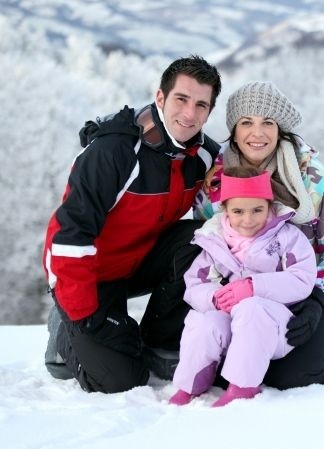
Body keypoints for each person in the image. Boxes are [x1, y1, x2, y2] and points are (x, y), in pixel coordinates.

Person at [42, 55, 223, 393]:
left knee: (203, 240)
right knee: (124, 379)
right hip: (87, 272)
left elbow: (247, 178)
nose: (189, 113)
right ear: (160, 98)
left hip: (138, 261)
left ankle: (157, 339)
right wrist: (84, 315)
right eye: (181, 99)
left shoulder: (202, 157)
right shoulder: (115, 151)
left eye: (201, 105)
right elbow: (70, 235)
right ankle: (66, 327)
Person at [192, 81, 324, 390]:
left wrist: (316, 295)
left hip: (309, 295)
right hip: (245, 296)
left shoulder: (314, 178)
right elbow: (211, 242)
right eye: (246, 122)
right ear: (234, 129)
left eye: (267, 123)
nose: (256, 133)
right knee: (226, 369)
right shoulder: (217, 181)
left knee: (289, 377)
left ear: (280, 129)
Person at [170, 167, 317, 407]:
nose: (248, 220)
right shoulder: (214, 240)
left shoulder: (286, 237)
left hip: (274, 328)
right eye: (238, 211)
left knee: (252, 308)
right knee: (203, 321)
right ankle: (191, 384)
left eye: (257, 210)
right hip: (233, 328)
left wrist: (253, 286)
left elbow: (302, 278)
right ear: (225, 210)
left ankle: (243, 386)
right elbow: (196, 282)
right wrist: (215, 298)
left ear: (269, 207)